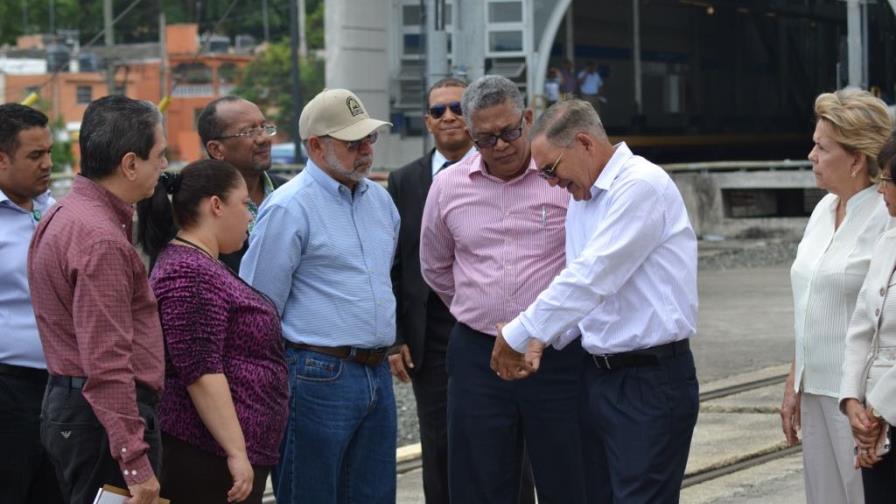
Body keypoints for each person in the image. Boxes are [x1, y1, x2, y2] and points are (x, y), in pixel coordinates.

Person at [492, 99, 699, 502]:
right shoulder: (582, 198)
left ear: (585, 143)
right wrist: (544, 338)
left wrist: (520, 331)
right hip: (598, 377)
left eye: (551, 170)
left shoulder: (639, 186)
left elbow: (594, 276)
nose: (552, 184)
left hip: (649, 380)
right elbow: (584, 285)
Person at [420, 75, 586, 503]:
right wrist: (482, 311)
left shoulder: (563, 178)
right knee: (480, 481)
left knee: (570, 476)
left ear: (528, 119)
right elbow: (435, 267)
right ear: (471, 135)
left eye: (511, 132)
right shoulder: (448, 187)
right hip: (479, 354)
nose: (502, 146)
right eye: (486, 139)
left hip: (557, 352)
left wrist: (541, 324)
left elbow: (589, 263)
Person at [240, 88, 399, 504]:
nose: (366, 150)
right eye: (353, 143)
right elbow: (259, 308)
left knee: (374, 494)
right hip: (316, 373)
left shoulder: (380, 202)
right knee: (310, 493)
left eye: (369, 139)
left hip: (376, 371)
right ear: (316, 146)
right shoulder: (289, 208)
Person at [27, 95, 168, 504]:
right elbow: (106, 363)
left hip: (80, 410)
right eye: (159, 155)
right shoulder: (100, 238)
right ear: (129, 163)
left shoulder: (68, 213)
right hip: (102, 421)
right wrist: (135, 463)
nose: (163, 166)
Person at [136, 159, 289, 504]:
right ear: (216, 205)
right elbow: (200, 372)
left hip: (221, 453)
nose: (251, 216)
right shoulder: (187, 273)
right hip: (204, 455)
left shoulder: (202, 264)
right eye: (245, 204)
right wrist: (236, 451)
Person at [780, 89, 892, 504]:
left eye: (822, 147)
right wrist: (794, 382)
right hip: (815, 390)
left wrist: (877, 405)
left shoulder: (885, 214)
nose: (811, 155)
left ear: (857, 159)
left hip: (859, 402)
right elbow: (809, 304)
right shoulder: (822, 211)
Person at [386, 77, 475, 504]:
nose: (450, 116)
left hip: (494, 325)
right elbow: (397, 263)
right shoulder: (405, 180)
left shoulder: (503, 167)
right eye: (439, 111)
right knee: (437, 443)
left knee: (509, 437)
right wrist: (396, 337)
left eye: (458, 107)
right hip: (431, 333)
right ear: (427, 121)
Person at [0, 103, 62, 504]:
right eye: (35, 156)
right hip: (8, 389)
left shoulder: (52, 209)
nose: (47, 164)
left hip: (60, 386)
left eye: (49, 152)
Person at [841, 132, 896, 504]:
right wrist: (852, 401)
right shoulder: (887, 240)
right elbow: (862, 326)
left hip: (884, 415)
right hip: (875, 424)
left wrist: (877, 413)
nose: (880, 191)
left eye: (886, 181)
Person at [197, 96, 288, 271]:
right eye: (249, 132)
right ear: (216, 149)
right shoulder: (197, 208)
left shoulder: (288, 193)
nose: (264, 139)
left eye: (264, 127)